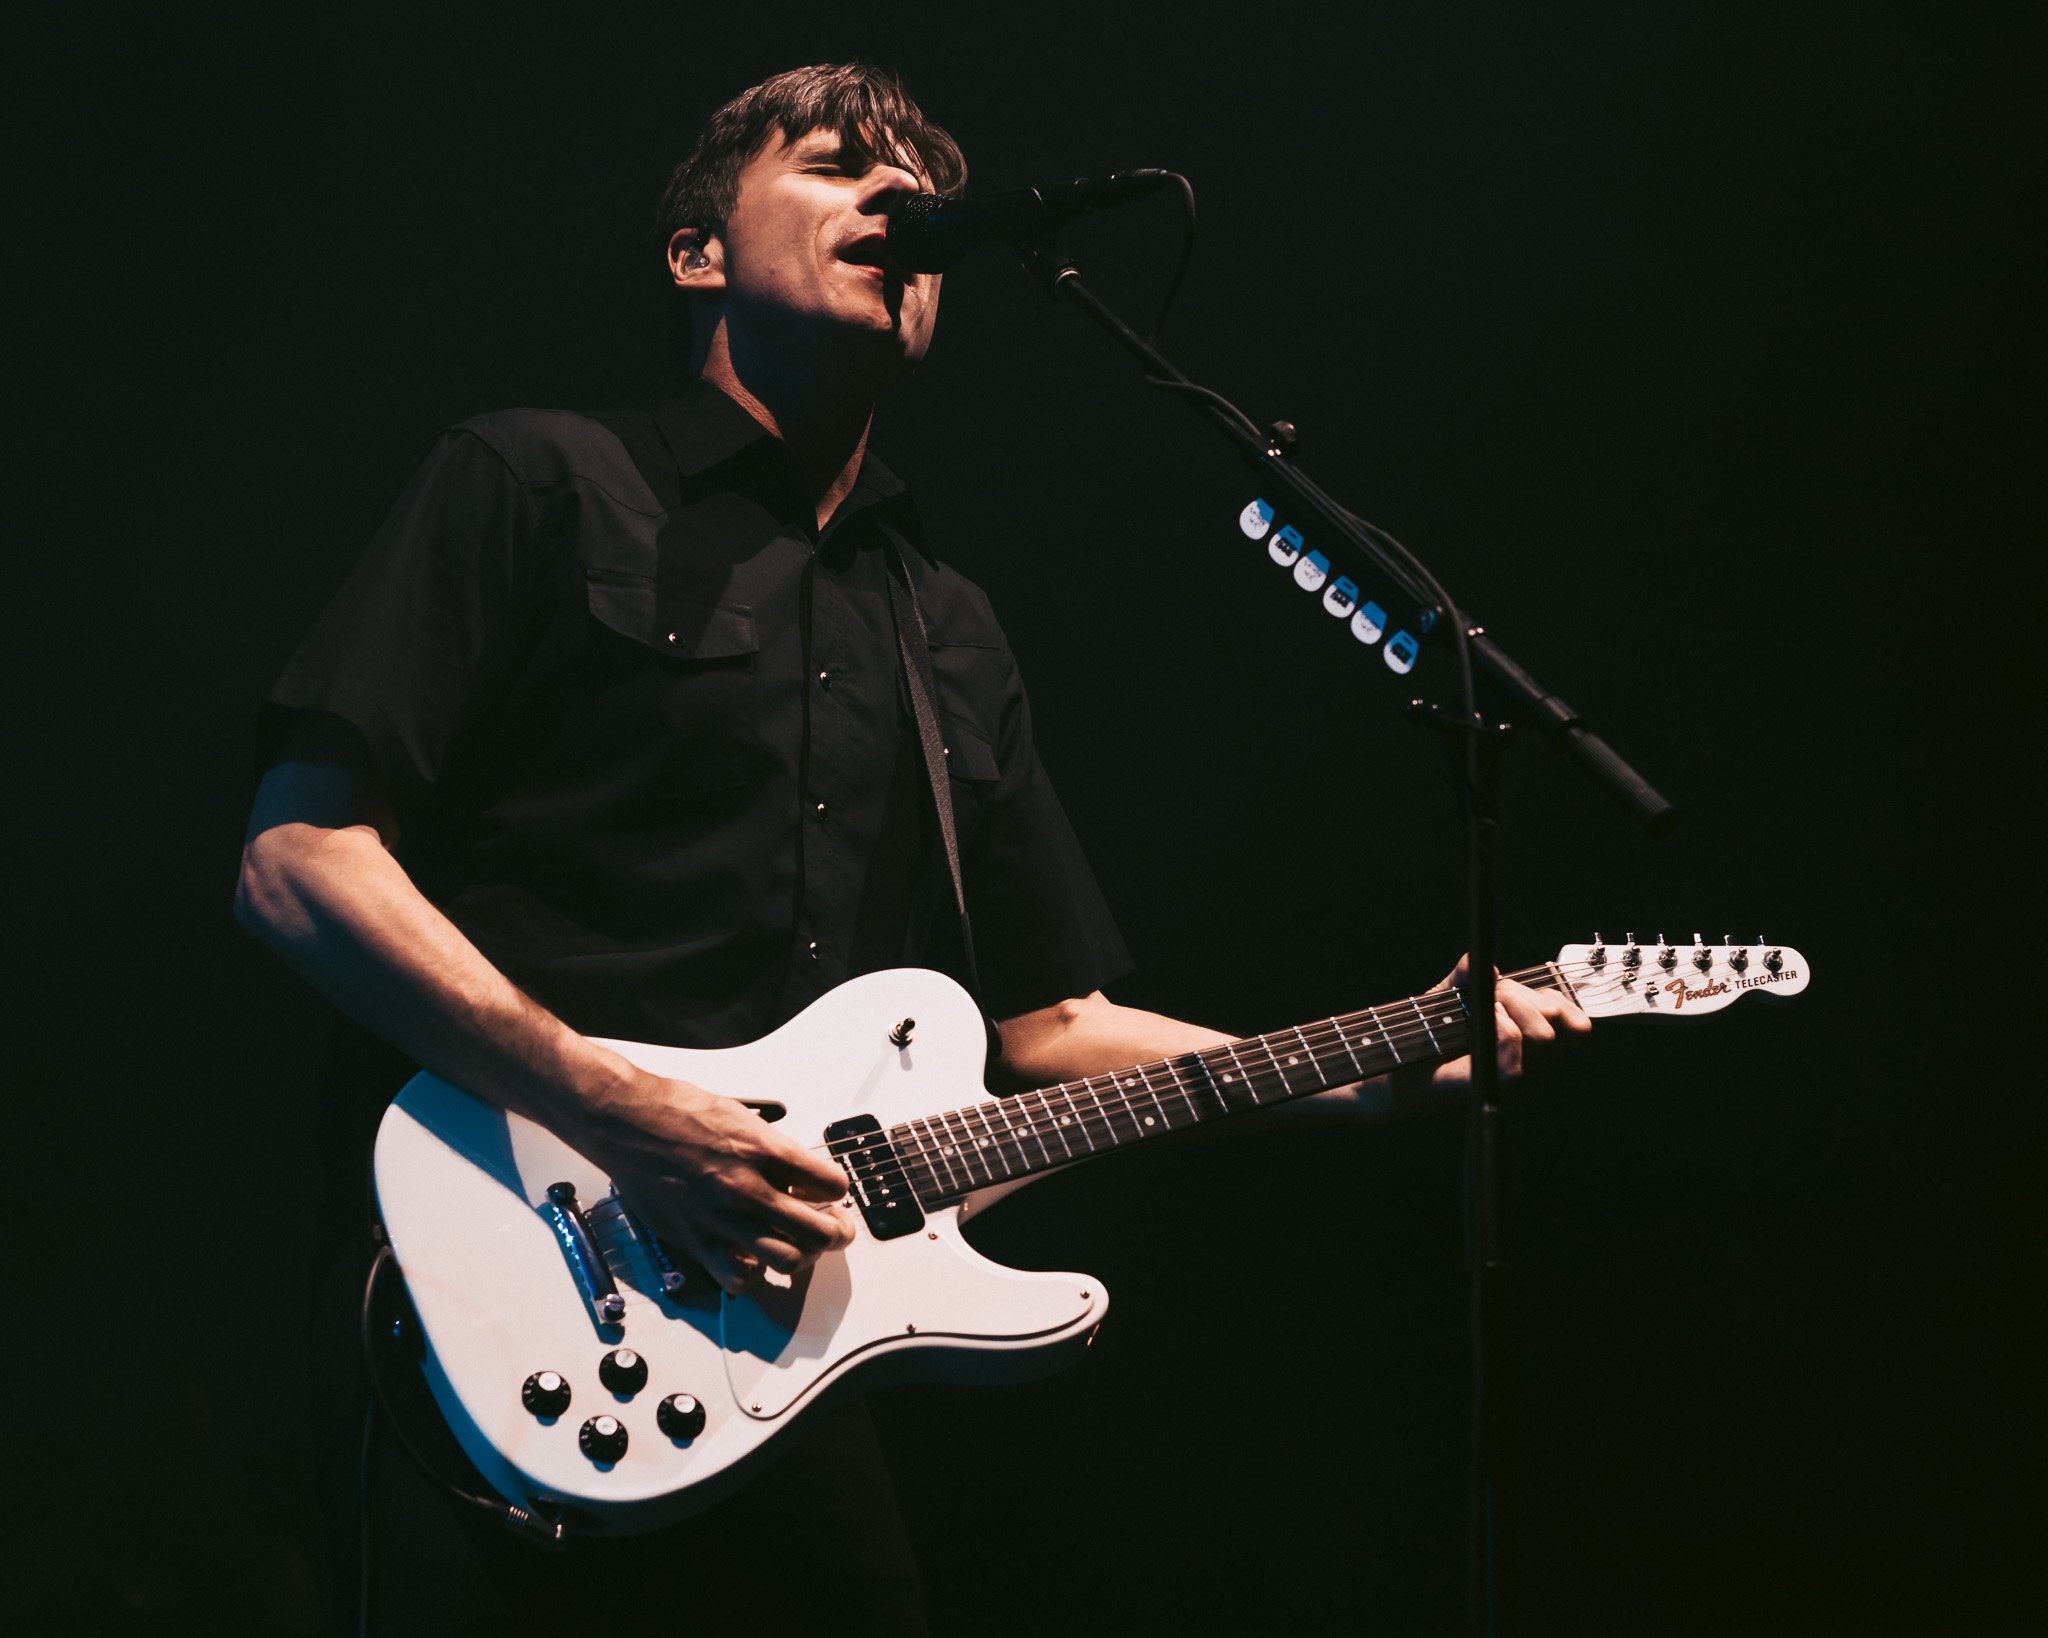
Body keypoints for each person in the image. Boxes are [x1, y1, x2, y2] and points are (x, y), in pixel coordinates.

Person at [236, 62, 1588, 1635]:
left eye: (917, 187)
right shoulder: (539, 484)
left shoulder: (942, 621)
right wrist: (633, 1115)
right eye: (834, 166)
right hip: (498, 1290)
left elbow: (1049, 1027)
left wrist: (1367, 1066)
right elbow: (300, 861)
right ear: (698, 254)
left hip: (775, 1355)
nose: (894, 203)